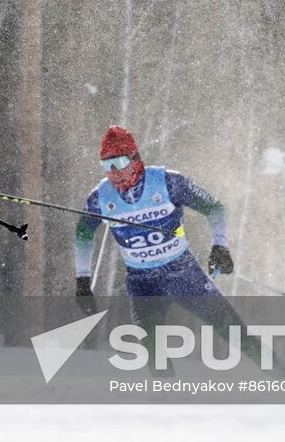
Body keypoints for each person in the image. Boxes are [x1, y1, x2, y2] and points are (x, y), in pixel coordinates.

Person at [74, 126, 245, 339]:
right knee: (151, 348)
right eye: (106, 165)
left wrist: (220, 246)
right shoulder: (101, 196)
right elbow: (83, 233)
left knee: (231, 328)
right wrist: (82, 280)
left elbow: (214, 208)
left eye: (118, 163)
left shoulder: (167, 182)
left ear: (134, 160)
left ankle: (279, 370)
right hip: (142, 281)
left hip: (183, 272)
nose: (114, 173)